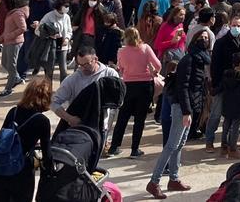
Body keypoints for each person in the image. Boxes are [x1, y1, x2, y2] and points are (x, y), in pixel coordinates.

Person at [148, 28, 210, 198]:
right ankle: (154, 182)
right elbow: (183, 87)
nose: (203, 40)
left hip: (189, 107)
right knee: (171, 145)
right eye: (201, 37)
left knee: (180, 144)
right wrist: (186, 111)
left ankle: (174, 178)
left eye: (206, 38)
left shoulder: (201, 60)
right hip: (182, 108)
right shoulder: (189, 60)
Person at [0, 77, 53, 202]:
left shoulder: (13, 111)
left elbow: (4, 138)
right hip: (21, 172)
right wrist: (51, 173)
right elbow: (47, 154)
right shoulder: (42, 121)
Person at [107, 26, 160, 158]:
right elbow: (158, 64)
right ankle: (134, 149)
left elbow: (120, 68)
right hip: (145, 84)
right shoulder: (146, 48)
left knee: (122, 117)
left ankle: (114, 147)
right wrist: (154, 72)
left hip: (128, 85)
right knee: (140, 119)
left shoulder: (121, 51)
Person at [50, 46, 120, 136]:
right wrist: (70, 119)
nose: (83, 68)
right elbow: (54, 103)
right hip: (80, 129)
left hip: (102, 128)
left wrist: (108, 126)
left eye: (86, 64)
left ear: (95, 59)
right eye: (80, 65)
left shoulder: (110, 74)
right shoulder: (72, 79)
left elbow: (117, 102)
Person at [207, 14, 240, 154]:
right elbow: (215, 65)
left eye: (239, 26)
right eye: (234, 25)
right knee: (216, 114)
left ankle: (231, 144)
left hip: (238, 84)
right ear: (229, 25)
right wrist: (215, 83)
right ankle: (210, 140)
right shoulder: (221, 42)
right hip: (222, 82)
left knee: (235, 116)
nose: (236, 28)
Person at [0, 0, 28, 97]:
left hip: (15, 42)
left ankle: (8, 89)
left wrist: (10, 36)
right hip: (8, 41)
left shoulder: (17, 14)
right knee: (5, 63)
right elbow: (7, 30)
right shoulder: (11, 13)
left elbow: (23, 28)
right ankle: (17, 78)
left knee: (11, 65)